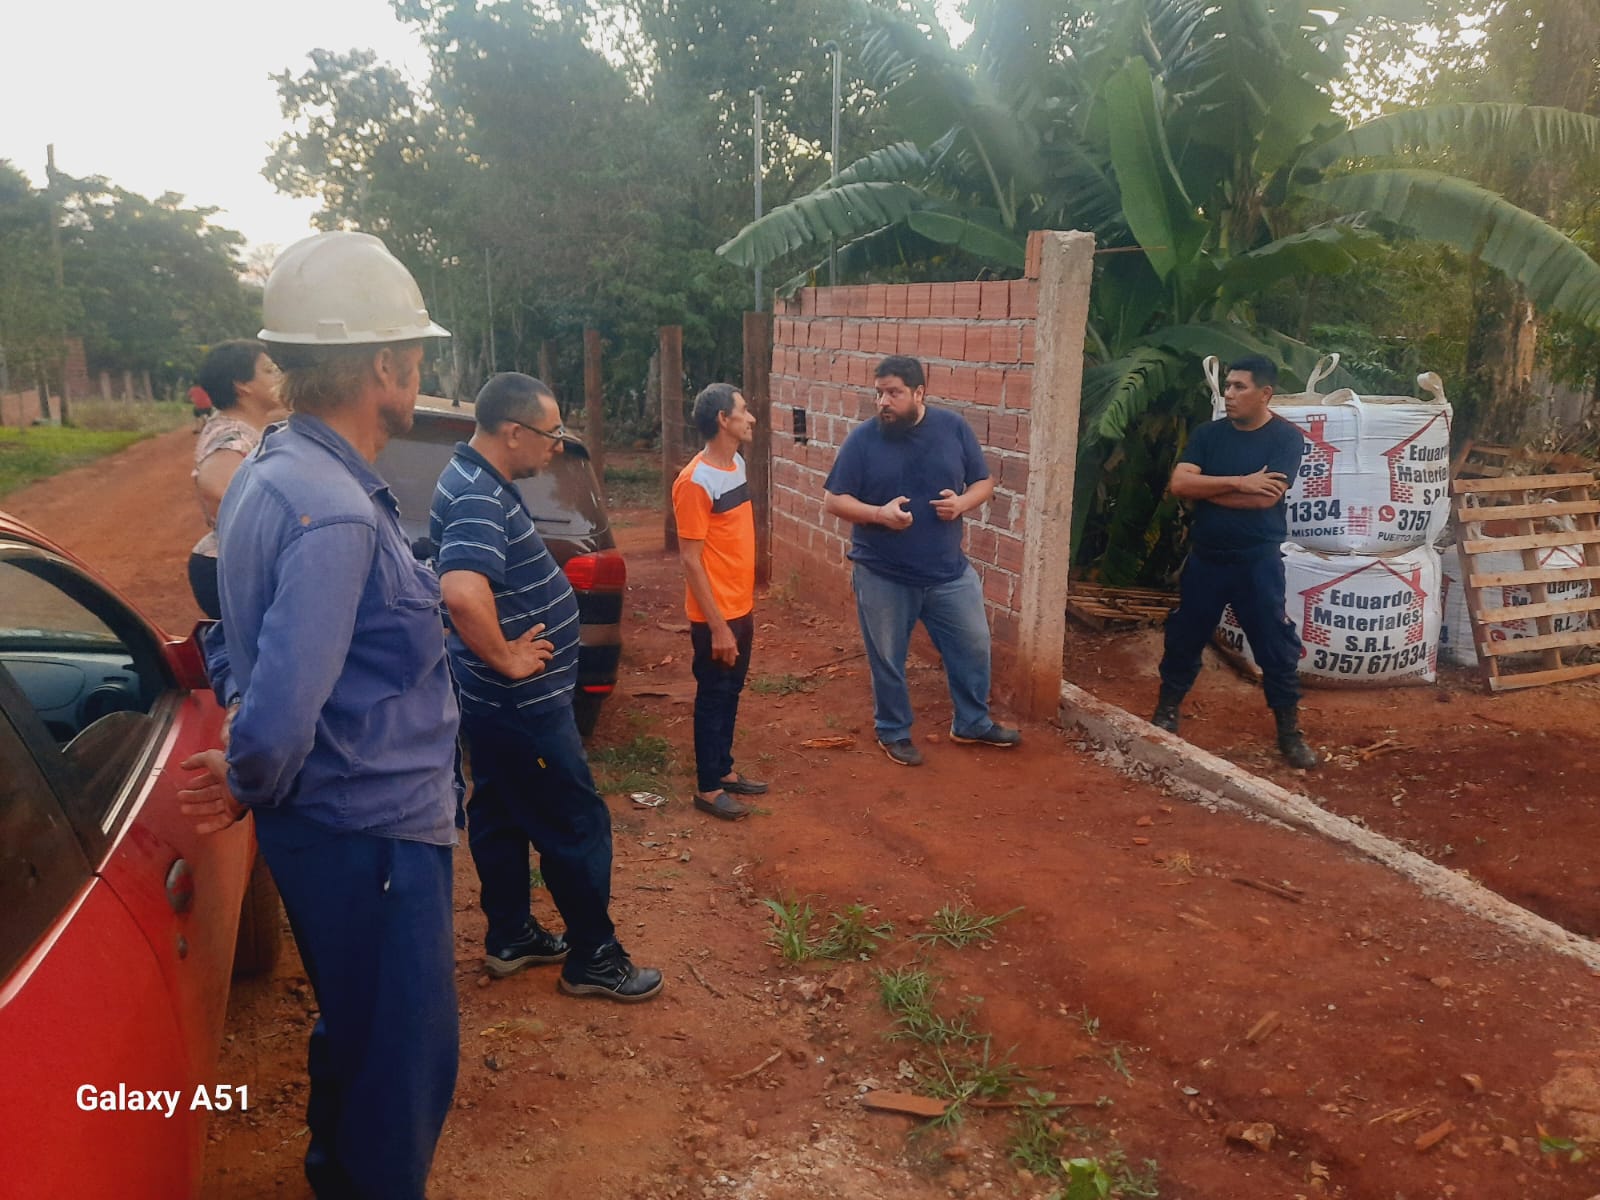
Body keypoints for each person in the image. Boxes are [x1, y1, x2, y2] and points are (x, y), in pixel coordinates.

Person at [175, 231, 460, 1199]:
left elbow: (230, 622)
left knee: (359, 1028)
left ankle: (334, 1177)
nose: (419, 371)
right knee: (403, 1070)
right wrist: (248, 767)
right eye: (414, 355)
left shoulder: (270, 470)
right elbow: (284, 712)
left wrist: (254, 758)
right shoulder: (334, 510)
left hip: (333, 834)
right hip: (371, 834)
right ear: (382, 367)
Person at [431, 372, 663, 1002]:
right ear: (514, 432)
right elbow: (459, 588)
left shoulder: (473, 478)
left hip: (496, 704)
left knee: (501, 809)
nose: (558, 445)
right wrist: (507, 658)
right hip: (521, 702)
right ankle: (594, 957)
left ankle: (511, 936)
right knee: (575, 820)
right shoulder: (480, 495)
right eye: (551, 432)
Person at [822, 354, 1021, 766]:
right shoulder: (863, 440)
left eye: (893, 393)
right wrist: (879, 514)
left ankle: (972, 722)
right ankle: (892, 731)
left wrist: (962, 503)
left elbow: (984, 481)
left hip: (948, 570)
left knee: (973, 644)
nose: (883, 402)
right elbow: (833, 499)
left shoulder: (953, 429)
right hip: (883, 571)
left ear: (918, 393)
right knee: (888, 657)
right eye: (879, 393)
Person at [1151, 354, 1318, 770]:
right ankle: (1167, 711)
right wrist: (1239, 482)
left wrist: (1207, 490)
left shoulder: (1286, 439)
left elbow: (1266, 497)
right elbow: (1178, 483)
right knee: (1185, 637)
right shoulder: (1209, 435)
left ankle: (1289, 732)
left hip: (1257, 563)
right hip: (1207, 558)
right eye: (1227, 386)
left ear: (1265, 393)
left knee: (1275, 647)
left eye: (1239, 387)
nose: (1229, 394)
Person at [672, 382, 766, 821]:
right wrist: (718, 626)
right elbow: (690, 561)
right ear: (723, 421)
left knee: (732, 692)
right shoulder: (694, 481)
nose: (750, 418)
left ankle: (724, 770)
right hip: (716, 616)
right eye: (743, 411)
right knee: (714, 695)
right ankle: (708, 787)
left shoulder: (736, 465)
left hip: (740, 606)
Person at [187, 340, 285, 619]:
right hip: (232, 567)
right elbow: (217, 488)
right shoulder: (231, 435)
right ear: (243, 385)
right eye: (269, 370)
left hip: (240, 565)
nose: (278, 376)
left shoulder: (250, 428)